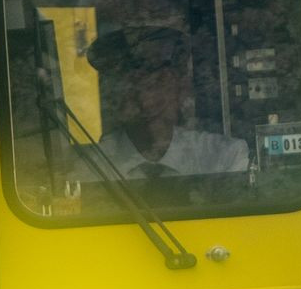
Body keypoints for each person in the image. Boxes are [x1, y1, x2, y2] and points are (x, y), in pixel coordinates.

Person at [89, 21, 250, 180]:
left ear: (180, 90)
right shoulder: (88, 168)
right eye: (132, 88)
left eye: (158, 83)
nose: (146, 102)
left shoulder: (223, 157)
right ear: (115, 97)